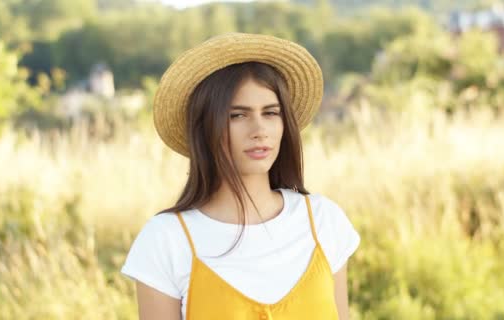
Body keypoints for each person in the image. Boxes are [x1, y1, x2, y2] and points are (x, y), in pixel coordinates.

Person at [121, 33, 361, 320]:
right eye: (237, 115)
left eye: (271, 113)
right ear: (206, 127)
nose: (259, 129)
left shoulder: (323, 221)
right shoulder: (166, 240)